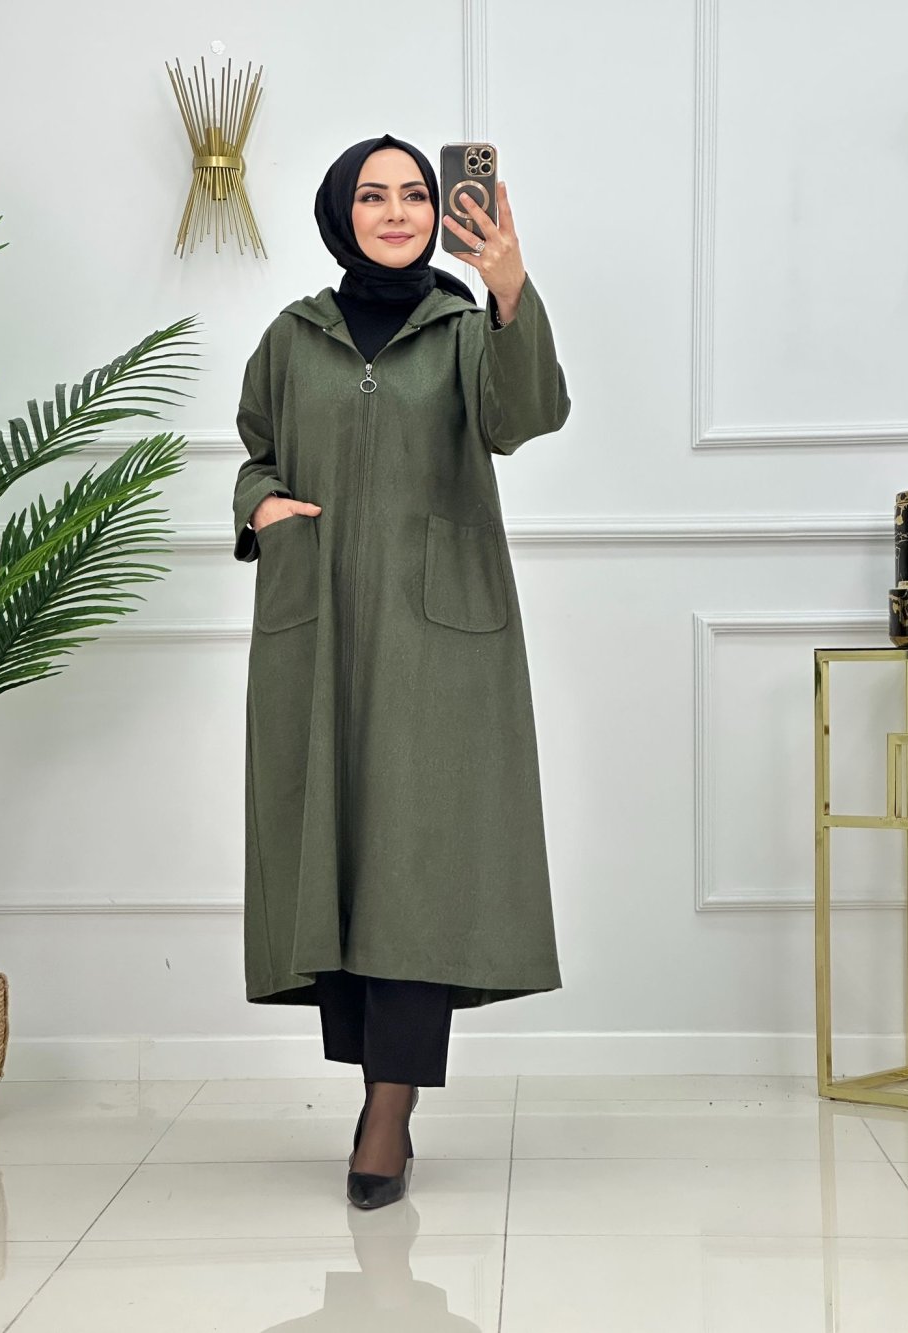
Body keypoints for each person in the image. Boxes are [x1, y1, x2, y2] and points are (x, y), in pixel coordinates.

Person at [232, 133, 570, 1210]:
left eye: (415, 193)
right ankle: (377, 1085)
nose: (396, 211)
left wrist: (507, 287)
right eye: (372, 195)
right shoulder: (292, 336)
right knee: (338, 853)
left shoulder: (465, 328)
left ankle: (389, 1108)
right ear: (341, 213)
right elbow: (254, 450)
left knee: (417, 865)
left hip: (440, 637)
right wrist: (260, 506)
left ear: (440, 211)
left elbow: (524, 417)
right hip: (321, 622)